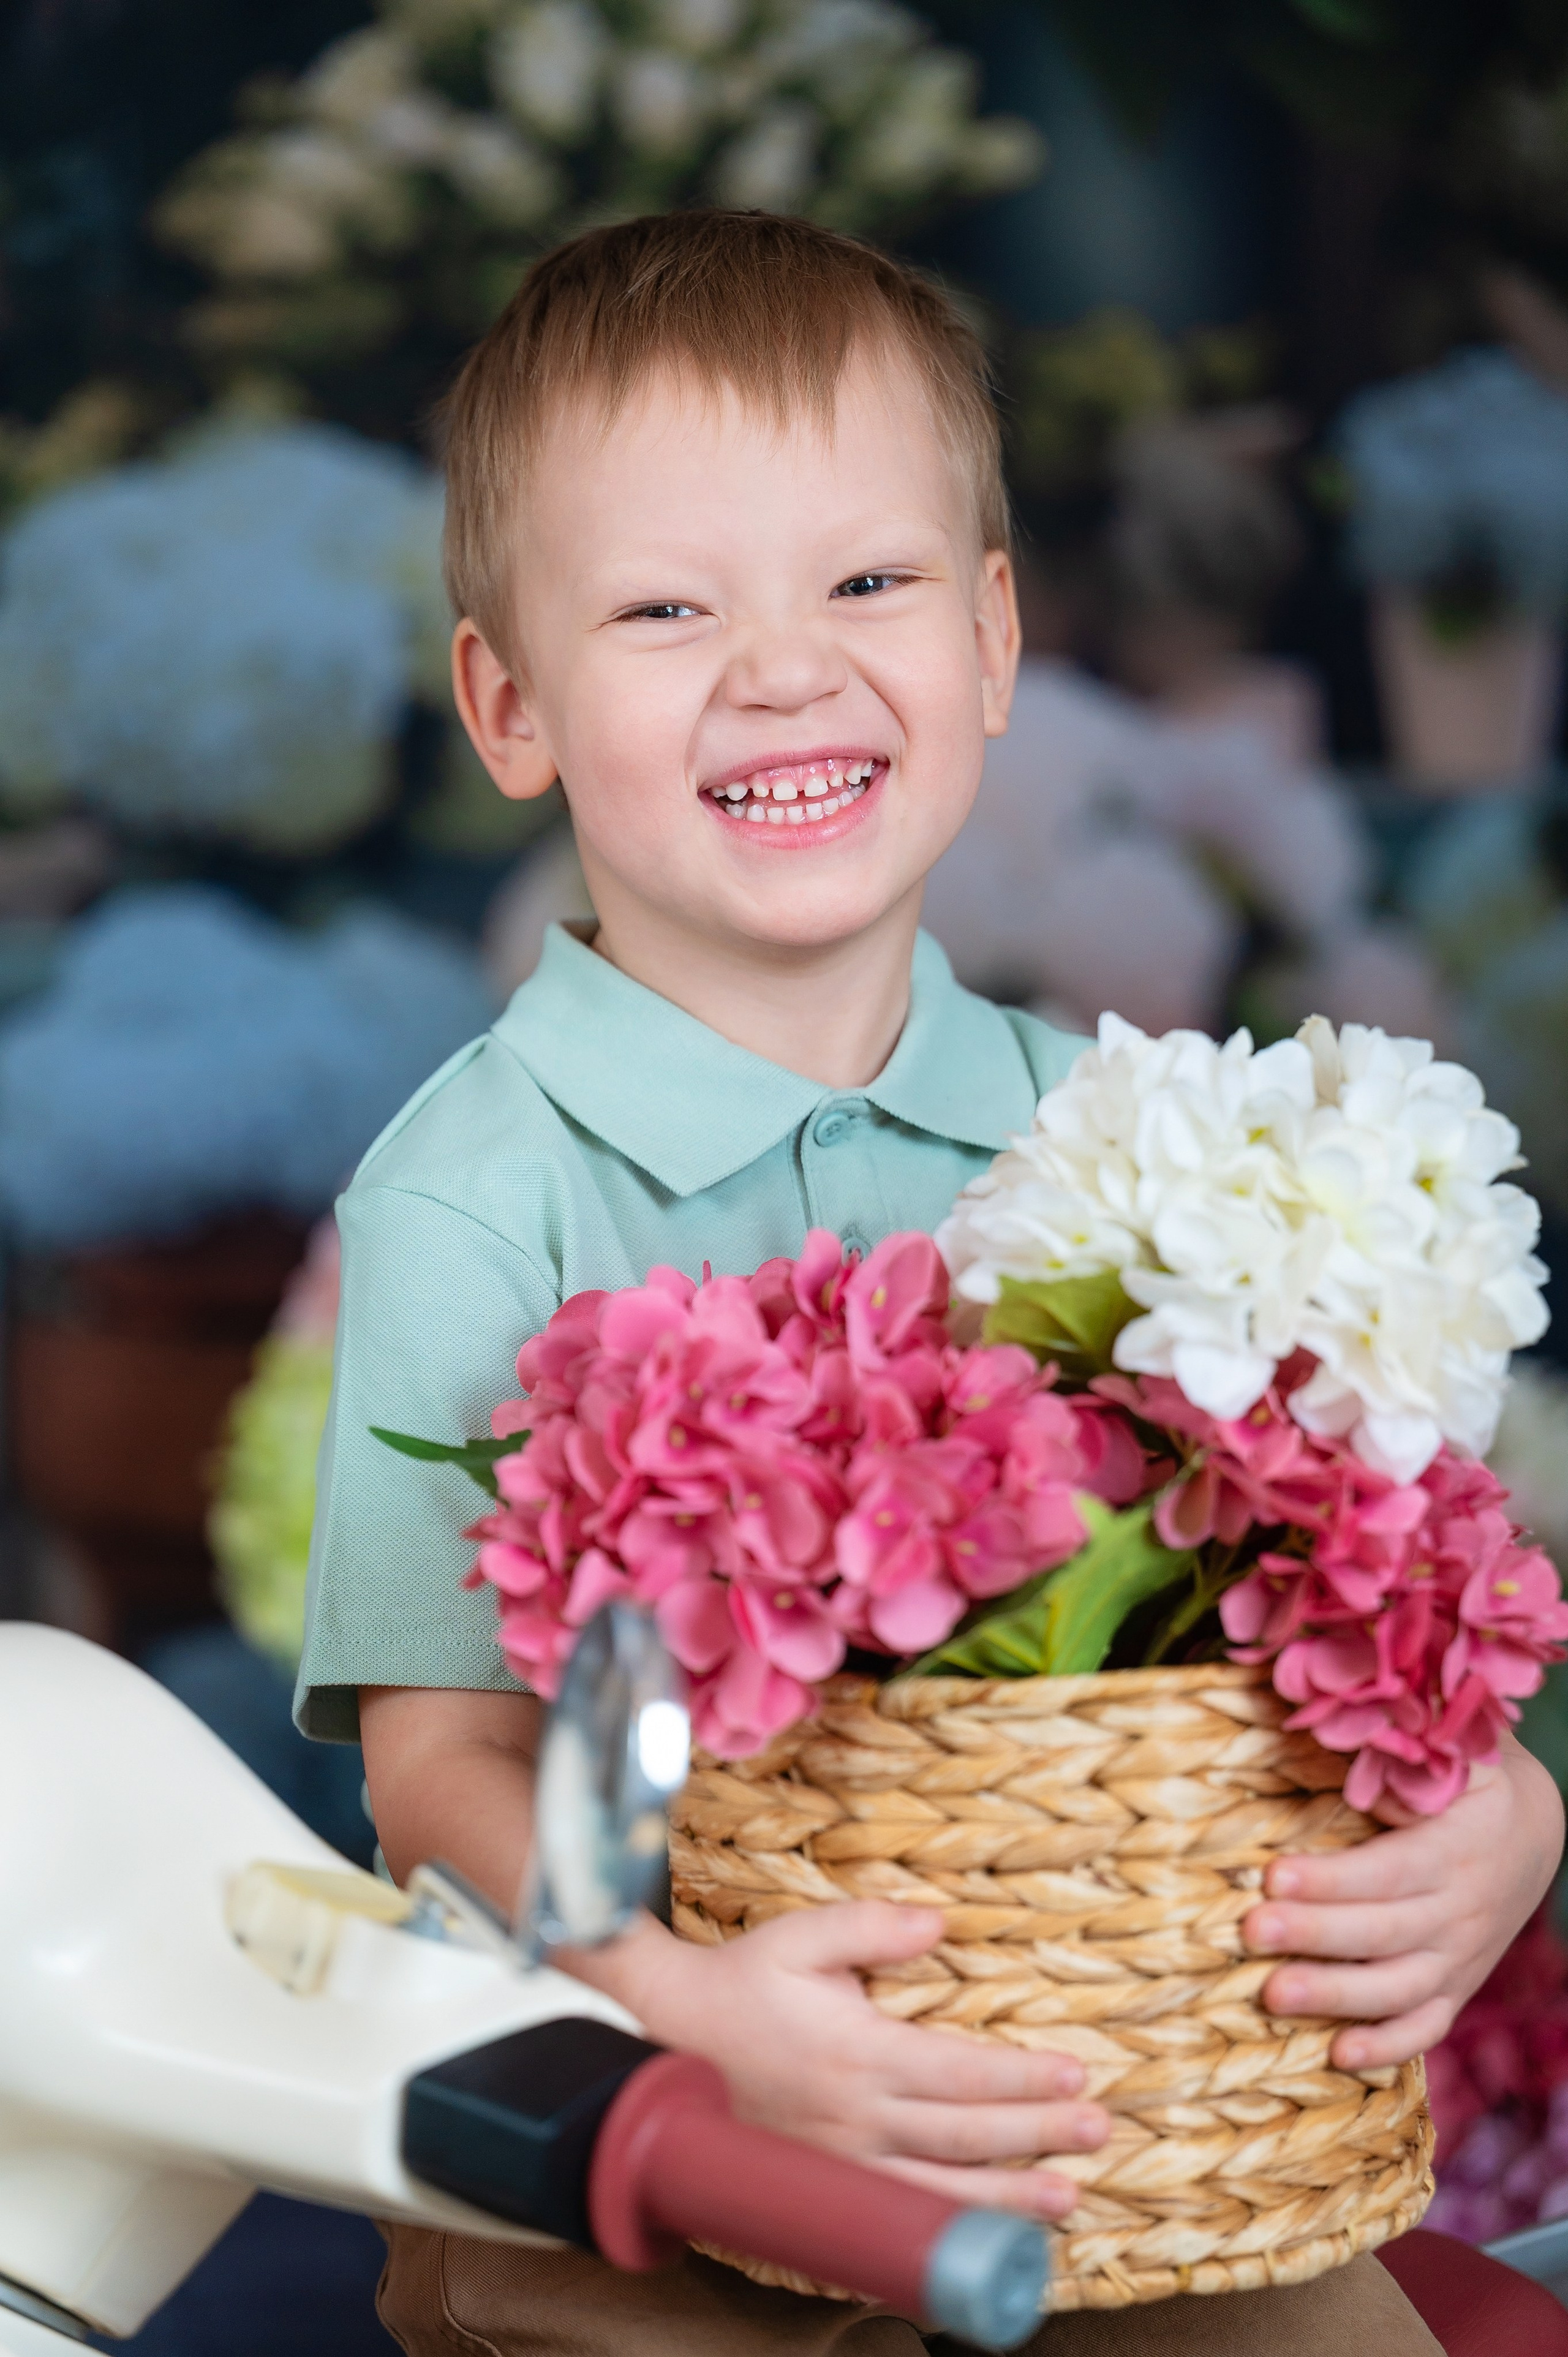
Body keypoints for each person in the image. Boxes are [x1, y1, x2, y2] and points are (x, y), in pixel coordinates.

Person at [295, 211, 1561, 2357]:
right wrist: (686, 2005)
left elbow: (1349, 1587)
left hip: (1110, 2120)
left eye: (865, 583)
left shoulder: (1121, 1142)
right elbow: (445, 1775)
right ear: (509, 707)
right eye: (667, 608)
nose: (784, 668)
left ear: (992, 642)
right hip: (648, 2134)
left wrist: (1507, 1809)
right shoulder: (471, 1199)